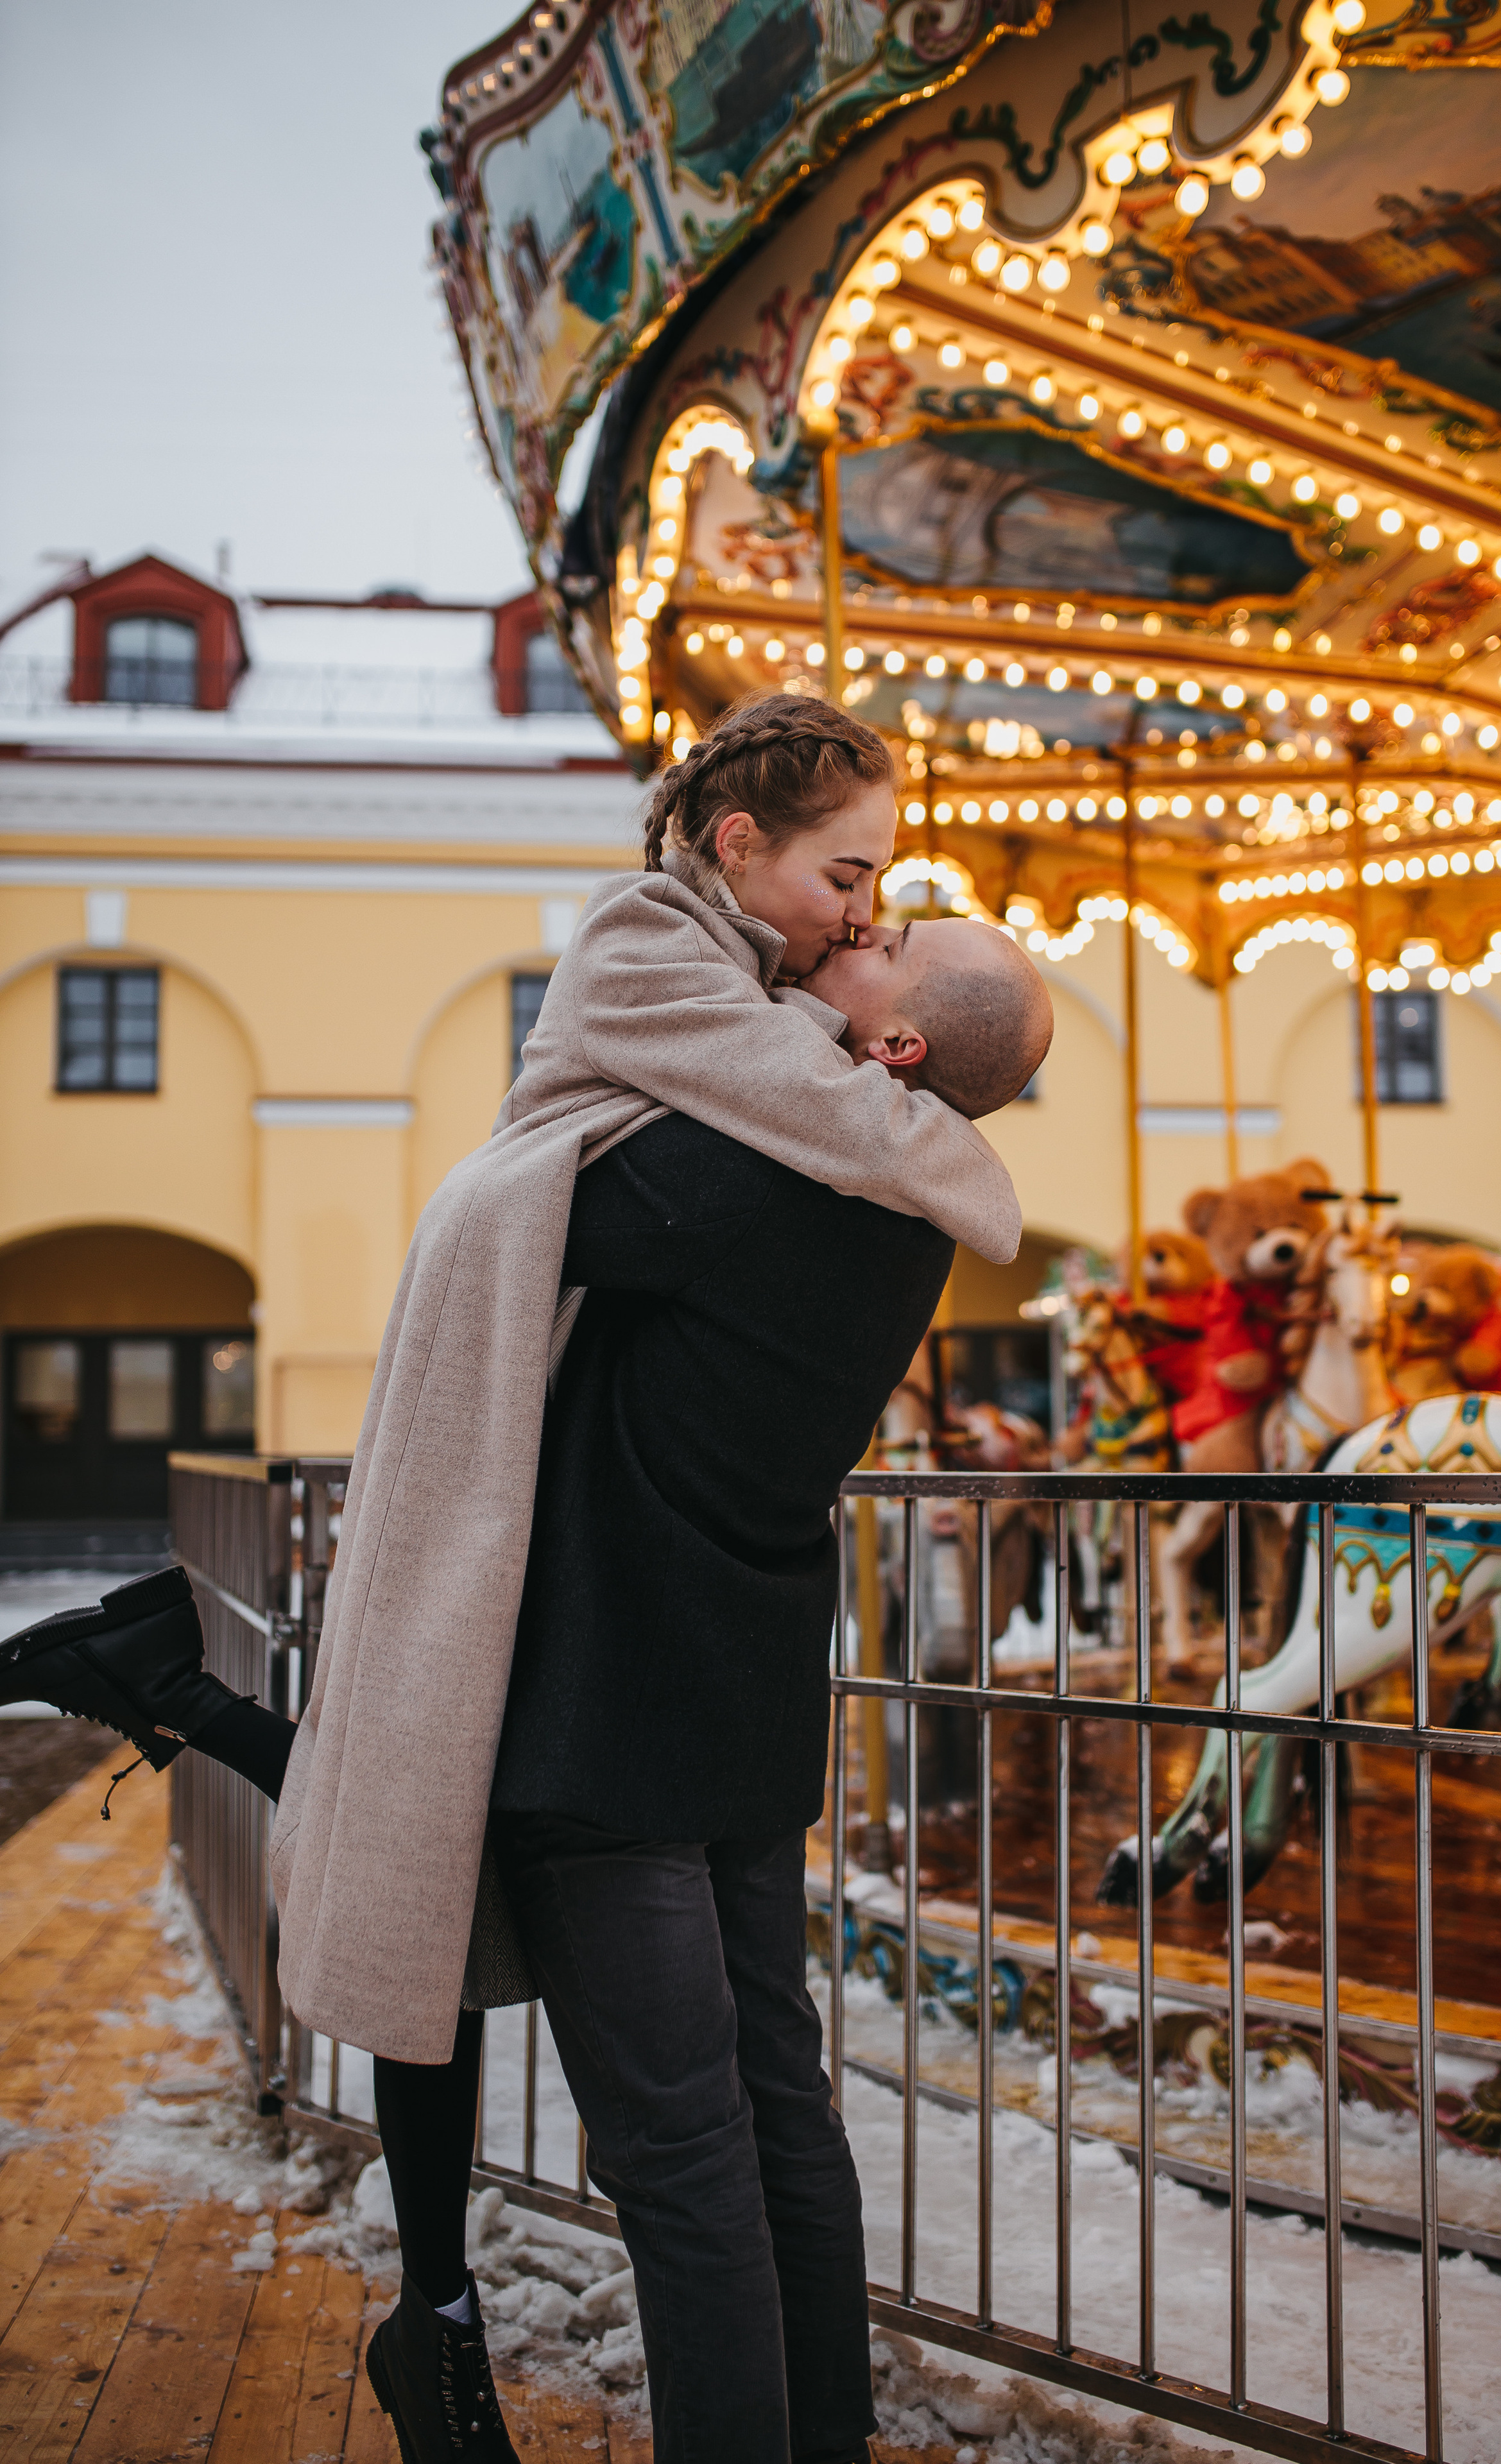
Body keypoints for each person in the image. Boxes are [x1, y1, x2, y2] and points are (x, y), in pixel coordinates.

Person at [5, 695, 1051, 2464]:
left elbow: (542, 1187)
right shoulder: (890, 1210)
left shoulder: (736, 1179)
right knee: (778, 2111)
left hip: (613, 1726)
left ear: (883, 1062)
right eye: (856, 889)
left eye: (886, 942)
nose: (859, 934)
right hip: (732, 1705)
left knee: (676, 2148)